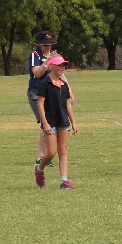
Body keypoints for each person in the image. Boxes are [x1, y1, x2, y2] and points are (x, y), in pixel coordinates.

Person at [27, 30, 75, 167]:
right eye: (45, 45)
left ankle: (45, 155)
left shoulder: (56, 56)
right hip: (37, 93)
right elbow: (36, 73)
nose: (48, 48)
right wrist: (47, 62)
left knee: (49, 123)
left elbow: (61, 73)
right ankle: (41, 156)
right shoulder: (34, 55)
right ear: (40, 44)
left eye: (50, 45)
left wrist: (69, 90)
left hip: (53, 93)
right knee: (45, 123)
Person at [34, 55, 79, 189]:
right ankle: (40, 168)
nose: (62, 67)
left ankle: (64, 180)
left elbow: (67, 105)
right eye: (59, 65)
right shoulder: (44, 84)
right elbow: (40, 105)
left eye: (64, 65)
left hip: (63, 121)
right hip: (50, 121)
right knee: (51, 152)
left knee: (63, 150)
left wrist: (74, 122)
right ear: (51, 67)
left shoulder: (64, 85)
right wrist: (45, 123)